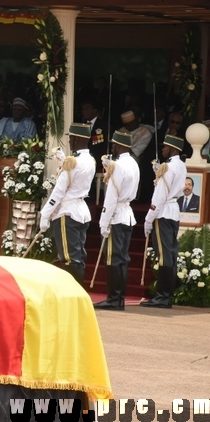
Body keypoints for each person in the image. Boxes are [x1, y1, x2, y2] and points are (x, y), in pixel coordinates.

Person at [39, 123, 96, 285]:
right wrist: (64, 164)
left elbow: (58, 192)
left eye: (71, 137)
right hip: (80, 212)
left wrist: (45, 214)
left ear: (77, 139)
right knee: (78, 256)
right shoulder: (89, 160)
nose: (69, 141)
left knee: (69, 258)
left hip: (67, 213)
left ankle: (74, 294)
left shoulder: (72, 163)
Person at [93, 131, 140, 310]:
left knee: (113, 258)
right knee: (122, 258)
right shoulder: (133, 163)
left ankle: (114, 298)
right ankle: (118, 298)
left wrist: (103, 222)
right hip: (126, 214)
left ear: (119, 146)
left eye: (114, 144)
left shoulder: (118, 165)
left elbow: (111, 197)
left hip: (117, 216)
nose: (112, 147)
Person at [142, 135, 187, 309]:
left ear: (172, 149)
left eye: (165, 147)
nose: (162, 149)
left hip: (163, 212)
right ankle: (166, 295)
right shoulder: (181, 165)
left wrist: (148, 219)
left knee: (164, 256)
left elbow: (159, 196)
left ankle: (162, 296)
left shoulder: (168, 167)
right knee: (170, 254)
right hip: (173, 211)